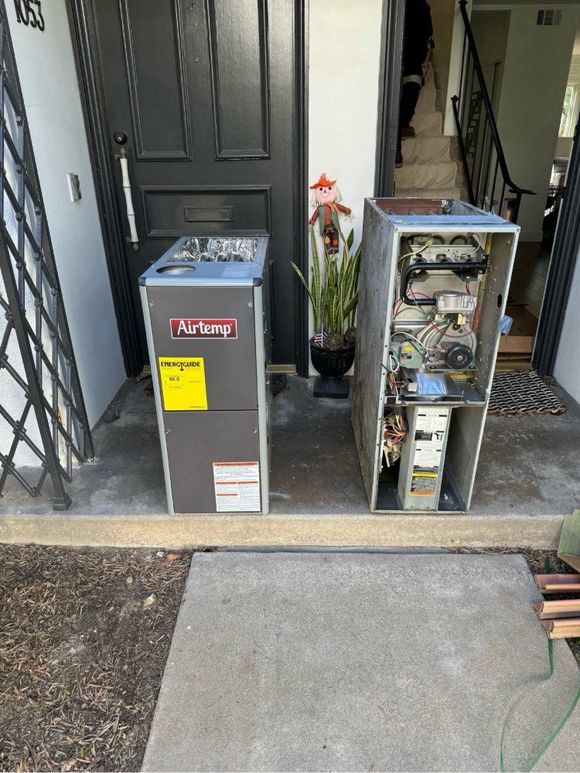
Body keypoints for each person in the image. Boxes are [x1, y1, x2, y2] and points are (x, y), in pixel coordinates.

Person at [396, 0, 433, 167]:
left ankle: (403, 124)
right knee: (395, 103)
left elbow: (428, 34)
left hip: (412, 59)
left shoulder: (422, 6)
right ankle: (396, 147)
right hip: (397, 56)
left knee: (411, 90)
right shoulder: (402, 5)